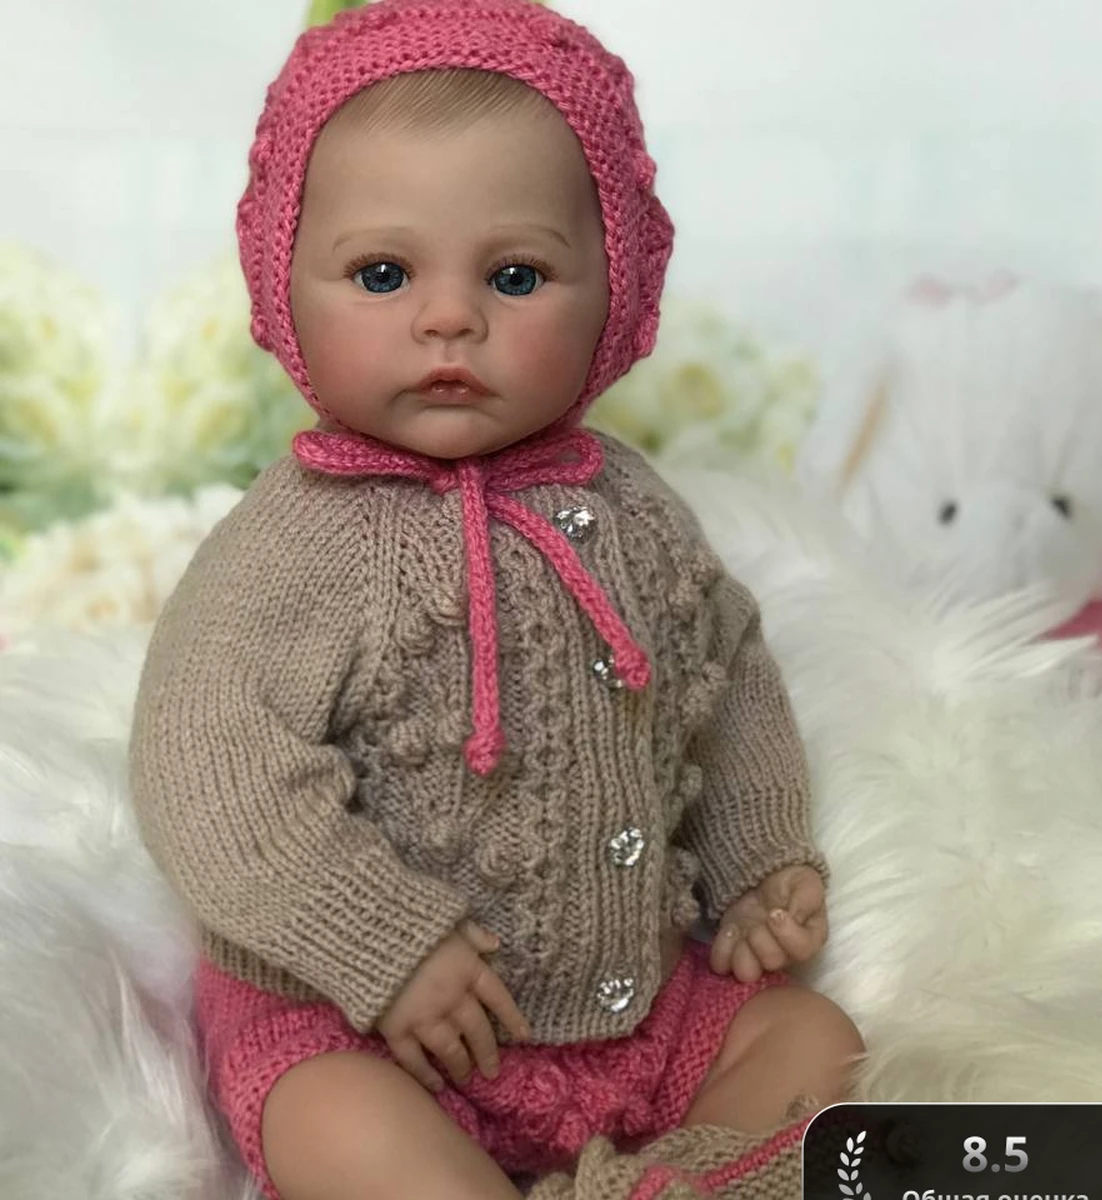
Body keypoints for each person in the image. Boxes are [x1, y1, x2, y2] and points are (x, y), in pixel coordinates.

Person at [129, 2, 864, 1196]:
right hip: (369, 1019)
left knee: (815, 1043)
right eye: (382, 274)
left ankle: (670, 1180)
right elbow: (209, 757)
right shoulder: (300, 542)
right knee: (332, 1118)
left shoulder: (632, 508)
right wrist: (378, 939)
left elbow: (724, 682)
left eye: (516, 276)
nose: (449, 317)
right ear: (282, 286)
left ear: (616, 291)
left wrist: (757, 861)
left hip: (636, 1011)